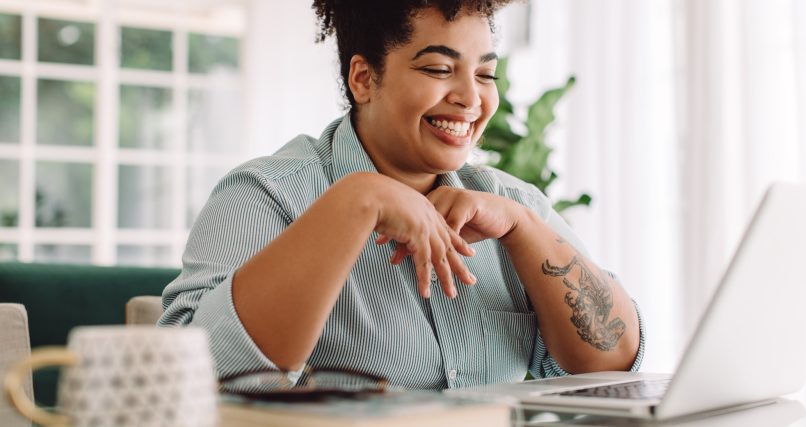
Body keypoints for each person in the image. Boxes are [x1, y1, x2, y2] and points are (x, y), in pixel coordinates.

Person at [159, 0, 645, 389]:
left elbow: (613, 366)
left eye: (485, 75)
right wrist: (357, 201)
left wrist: (524, 230)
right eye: (438, 69)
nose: (471, 98)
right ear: (364, 79)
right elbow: (191, 378)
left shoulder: (512, 205)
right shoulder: (264, 195)